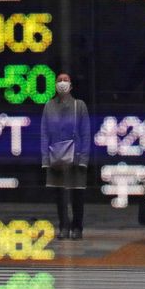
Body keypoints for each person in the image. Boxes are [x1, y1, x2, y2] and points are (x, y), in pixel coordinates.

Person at [41, 73, 91, 240]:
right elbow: (44, 133)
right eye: (59, 80)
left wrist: (84, 158)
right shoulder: (49, 106)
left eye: (66, 80)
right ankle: (63, 226)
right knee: (60, 195)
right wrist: (45, 159)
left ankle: (77, 227)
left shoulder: (80, 105)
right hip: (56, 157)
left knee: (77, 195)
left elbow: (86, 133)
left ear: (71, 84)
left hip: (75, 157)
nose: (62, 83)